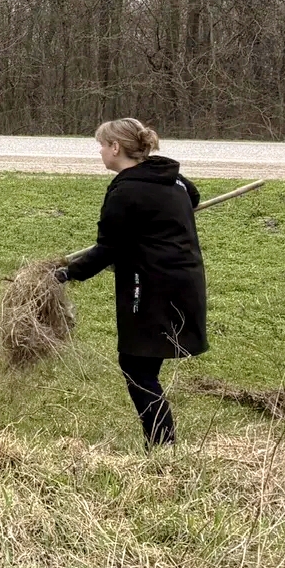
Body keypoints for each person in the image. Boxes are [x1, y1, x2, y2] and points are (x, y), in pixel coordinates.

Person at [58, 117, 207, 448]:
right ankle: (162, 445)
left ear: (116, 148)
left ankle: (163, 445)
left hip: (152, 286)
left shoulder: (125, 191)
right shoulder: (172, 178)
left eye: (101, 145)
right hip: (186, 280)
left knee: (136, 365)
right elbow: (194, 197)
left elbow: (107, 249)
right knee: (144, 364)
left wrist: (67, 273)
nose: (99, 152)